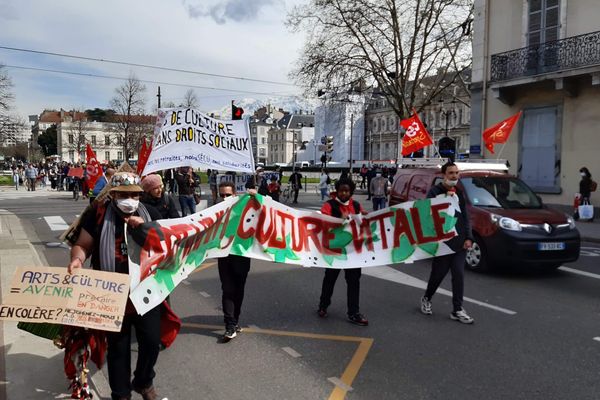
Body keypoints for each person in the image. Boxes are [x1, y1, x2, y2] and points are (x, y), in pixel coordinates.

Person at [67, 172, 170, 400]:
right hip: (111, 295)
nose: (129, 199)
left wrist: (145, 229)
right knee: (118, 349)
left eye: (133, 195)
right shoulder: (98, 216)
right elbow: (83, 244)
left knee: (152, 343)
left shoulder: (150, 214)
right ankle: (120, 394)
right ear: (113, 195)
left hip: (145, 292)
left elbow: (167, 248)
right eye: (123, 194)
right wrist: (77, 259)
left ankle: (143, 381)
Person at [421, 161, 474, 324]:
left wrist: (468, 237)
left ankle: (457, 309)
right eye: (451, 173)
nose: (454, 176)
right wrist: (444, 200)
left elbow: (465, 216)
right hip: (443, 243)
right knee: (438, 275)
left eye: (456, 173)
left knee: (458, 274)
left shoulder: (459, 193)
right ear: (444, 175)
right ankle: (427, 298)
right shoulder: (435, 192)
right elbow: (425, 212)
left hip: (459, 242)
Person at [317, 177, 369, 326]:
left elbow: (364, 219)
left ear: (351, 192)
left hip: (353, 252)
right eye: (341, 190)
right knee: (330, 279)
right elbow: (323, 222)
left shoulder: (356, 205)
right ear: (337, 191)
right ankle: (323, 306)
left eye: (347, 191)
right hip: (334, 250)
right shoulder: (329, 205)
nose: (344, 193)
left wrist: (366, 217)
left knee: (354, 282)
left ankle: (354, 312)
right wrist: (339, 219)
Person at [217, 180, 252, 341]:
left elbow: (264, 213)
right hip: (224, 257)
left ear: (235, 195)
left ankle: (235, 320)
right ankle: (230, 324)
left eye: (228, 195)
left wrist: (256, 196)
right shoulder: (214, 211)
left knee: (239, 290)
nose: (224, 198)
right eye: (221, 195)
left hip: (242, 257)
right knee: (228, 289)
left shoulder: (244, 209)